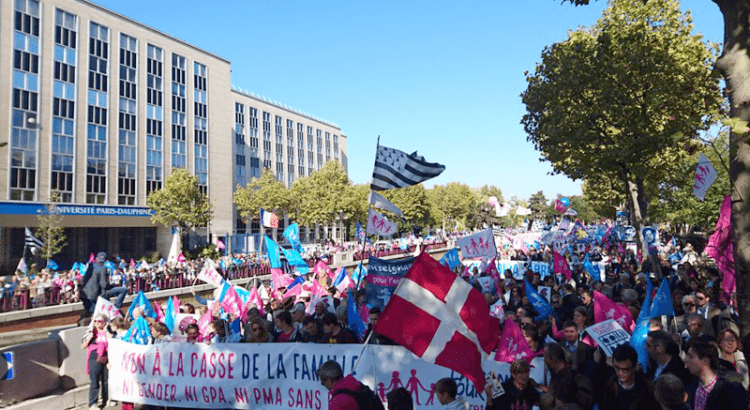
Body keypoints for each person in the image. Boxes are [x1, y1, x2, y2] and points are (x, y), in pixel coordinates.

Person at [684, 339, 749, 410]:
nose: (685, 360)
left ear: (705, 361)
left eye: (691, 356)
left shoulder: (730, 389)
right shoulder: (692, 387)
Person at [600, 344, 659, 410]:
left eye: (625, 369)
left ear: (636, 366)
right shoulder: (610, 383)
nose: (620, 373)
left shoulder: (647, 389)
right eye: (617, 368)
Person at [81, 252, 127, 317]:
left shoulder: (91, 266)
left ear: (96, 259)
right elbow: (104, 285)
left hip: (85, 294)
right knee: (123, 290)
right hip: (98, 294)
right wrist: (113, 285)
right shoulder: (103, 268)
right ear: (105, 260)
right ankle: (116, 308)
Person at [81, 313, 110, 410]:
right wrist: (89, 338)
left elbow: (112, 342)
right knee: (95, 381)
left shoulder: (108, 332)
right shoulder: (91, 332)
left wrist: (106, 332)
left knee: (106, 381)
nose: (97, 323)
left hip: (105, 358)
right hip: (94, 357)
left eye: (100, 321)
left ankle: (106, 400)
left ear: (105, 323)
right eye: (95, 321)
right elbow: (83, 346)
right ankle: (93, 403)